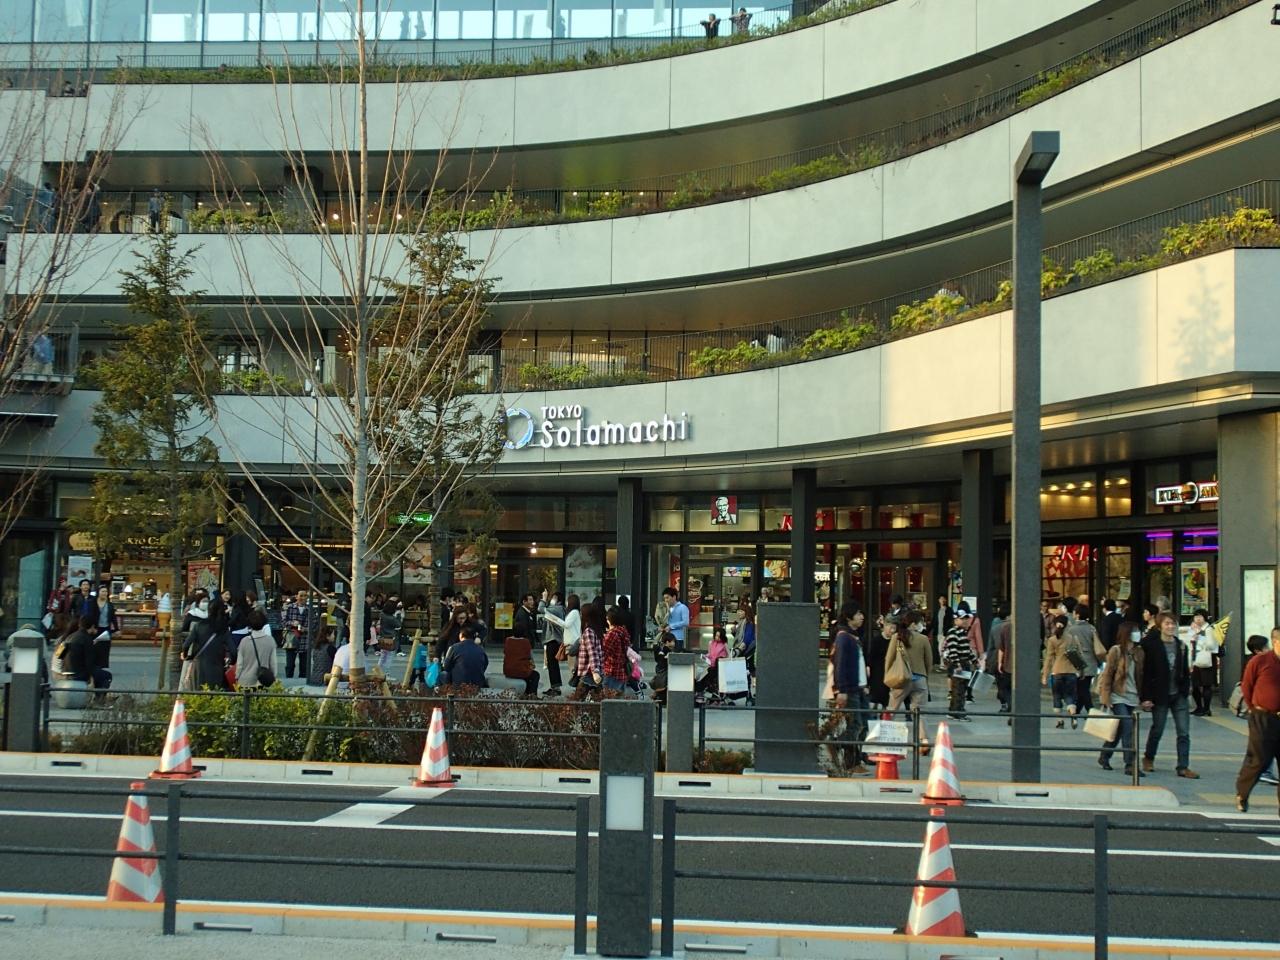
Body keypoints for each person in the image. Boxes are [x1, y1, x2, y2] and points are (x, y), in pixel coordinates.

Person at [1140, 611, 1198, 778]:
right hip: (1160, 695)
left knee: (1184, 732)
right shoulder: (1152, 646)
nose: (1171, 626)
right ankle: (1149, 757)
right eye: (1167, 623)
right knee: (1157, 729)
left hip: (1178, 694)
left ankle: (1183, 766)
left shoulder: (1181, 645)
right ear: (1160, 626)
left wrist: (1186, 689)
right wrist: (1146, 697)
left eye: (1173, 623)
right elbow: (1147, 673)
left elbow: (1185, 671)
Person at [1234, 626, 1280, 813]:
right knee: (1259, 759)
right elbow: (1247, 687)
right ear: (1276, 642)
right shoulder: (1260, 661)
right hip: (1262, 717)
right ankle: (1242, 793)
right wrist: (1255, 708)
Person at [1097, 621, 1146, 777]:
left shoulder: (1139, 652)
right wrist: (1105, 697)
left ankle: (1104, 755)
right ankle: (1130, 764)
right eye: (1134, 631)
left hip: (1133, 696)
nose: (1137, 634)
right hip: (1118, 696)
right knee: (1128, 727)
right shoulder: (1116, 651)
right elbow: (1108, 674)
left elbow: (1141, 676)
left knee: (1119, 729)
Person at [885, 614, 933, 748]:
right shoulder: (923, 639)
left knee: (892, 708)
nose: (921, 625)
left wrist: (888, 675)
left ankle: (886, 737)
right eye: (920, 622)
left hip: (901, 678)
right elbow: (929, 661)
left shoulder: (897, 637)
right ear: (913, 624)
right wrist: (925, 676)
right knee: (920, 712)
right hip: (920, 678)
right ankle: (924, 741)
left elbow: (889, 658)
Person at [831, 602, 869, 773]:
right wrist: (842, 690)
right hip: (850, 689)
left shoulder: (853, 636)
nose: (862, 617)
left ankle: (853, 761)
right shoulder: (844, 637)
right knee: (856, 725)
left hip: (859, 687)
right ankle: (837, 745)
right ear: (848, 617)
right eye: (858, 614)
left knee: (863, 724)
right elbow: (840, 665)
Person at [183, 597, 231, 690]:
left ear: (209, 610)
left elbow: (186, 645)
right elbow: (233, 651)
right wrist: (230, 661)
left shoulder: (199, 626)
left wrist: (186, 656)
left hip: (199, 667)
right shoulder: (224, 629)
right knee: (215, 694)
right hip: (217, 668)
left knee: (198, 693)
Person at [1041, 615, 1078, 729]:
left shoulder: (1052, 640)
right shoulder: (1072, 638)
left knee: (1057, 696)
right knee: (1069, 695)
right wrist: (1081, 670)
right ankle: (1073, 714)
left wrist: (1044, 675)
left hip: (1057, 671)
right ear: (1067, 625)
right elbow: (1079, 655)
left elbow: (1048, 658)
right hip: (1071, 671)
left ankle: (1060, 721)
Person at [1067, 604, 1104, 714]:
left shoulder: (1071, 629)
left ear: (1077, 615)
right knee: (1084, 687)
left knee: (1082, 688)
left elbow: (1070, 647)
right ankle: (1077, 710)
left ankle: (1090, 710)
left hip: (1078, 661)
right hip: (1091, 661)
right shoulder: (1092, 628)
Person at [942, 605, 977, 721]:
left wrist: (974, 661)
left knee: (961, 688)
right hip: (959, 664)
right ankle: (958, 712)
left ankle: (953, 711)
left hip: (964, 663)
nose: (966, 621)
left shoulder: (963, 632)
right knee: (958, 689)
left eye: (966, 618)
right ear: (956, 620)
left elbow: (967, 649)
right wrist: (957, 664)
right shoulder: (953, 632)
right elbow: (953, 649)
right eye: (963, 619)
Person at [1187, 608, 1219, 716]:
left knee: (1206, 685)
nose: (1198, 619)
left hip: (1207, 659)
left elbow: (1211, 645)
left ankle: (1206, 709)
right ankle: (1199, 707)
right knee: (1195, 685)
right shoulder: (1193, 629)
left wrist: (1200, 637)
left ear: (1205, 617)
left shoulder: (1209, 629)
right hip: (1196, 660)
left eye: (1200, 616)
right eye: (1196, 616)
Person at [235, 609, 277, 689]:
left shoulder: (244, 641)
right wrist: (273, 677)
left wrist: (237, 676)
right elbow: (273, 663)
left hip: (245, 681)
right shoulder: (270, 641)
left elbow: (240, 664)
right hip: (263, 681)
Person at [574, 600, 605, 695]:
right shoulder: (596, 629)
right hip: (595, 670)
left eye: (581, 613)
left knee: (578, 699)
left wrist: (595, 671)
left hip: (588, 671)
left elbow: (592, 652)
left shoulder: (588, 632)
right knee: (597, 697)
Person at [602, 606, 632, 694]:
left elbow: (604, 653)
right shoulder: (623, 631)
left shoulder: (612, 634)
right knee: (618, 699)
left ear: (609, 619)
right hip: (622, 671)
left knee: (608, 698)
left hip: (611, 672)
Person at [503, 628, 540, 697]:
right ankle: (532, 695)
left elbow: (505, 652)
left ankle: (525, 694)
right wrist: (532, 665)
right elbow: (530, 656)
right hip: (521, 671)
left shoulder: (508, 640)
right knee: (535, 675)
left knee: (527, 673)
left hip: (508, 671)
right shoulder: (526, 642)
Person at [542, 591, 567, 696]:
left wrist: (544, 598)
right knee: (553, 664)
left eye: (553, 598)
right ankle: (555, 686)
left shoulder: (556, 609)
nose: (551, 600)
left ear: (558, 600)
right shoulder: (560, 609)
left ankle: (556, 688)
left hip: (553, 640)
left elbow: (541, 609)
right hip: (554, 639)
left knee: (552, 664)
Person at [282, 589, 310, 679]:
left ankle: (303, 685)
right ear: (296, 596)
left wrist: (305, 629)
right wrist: (292, 623)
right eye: (301, 595)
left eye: (305, 596)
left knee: (304, 667)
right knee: (290, 665)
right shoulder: (289, 607)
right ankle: (289, 681)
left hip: (305, 640)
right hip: (291, 639)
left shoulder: (310, 610)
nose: (303, 598)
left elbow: (314, 626)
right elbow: (283, 622)